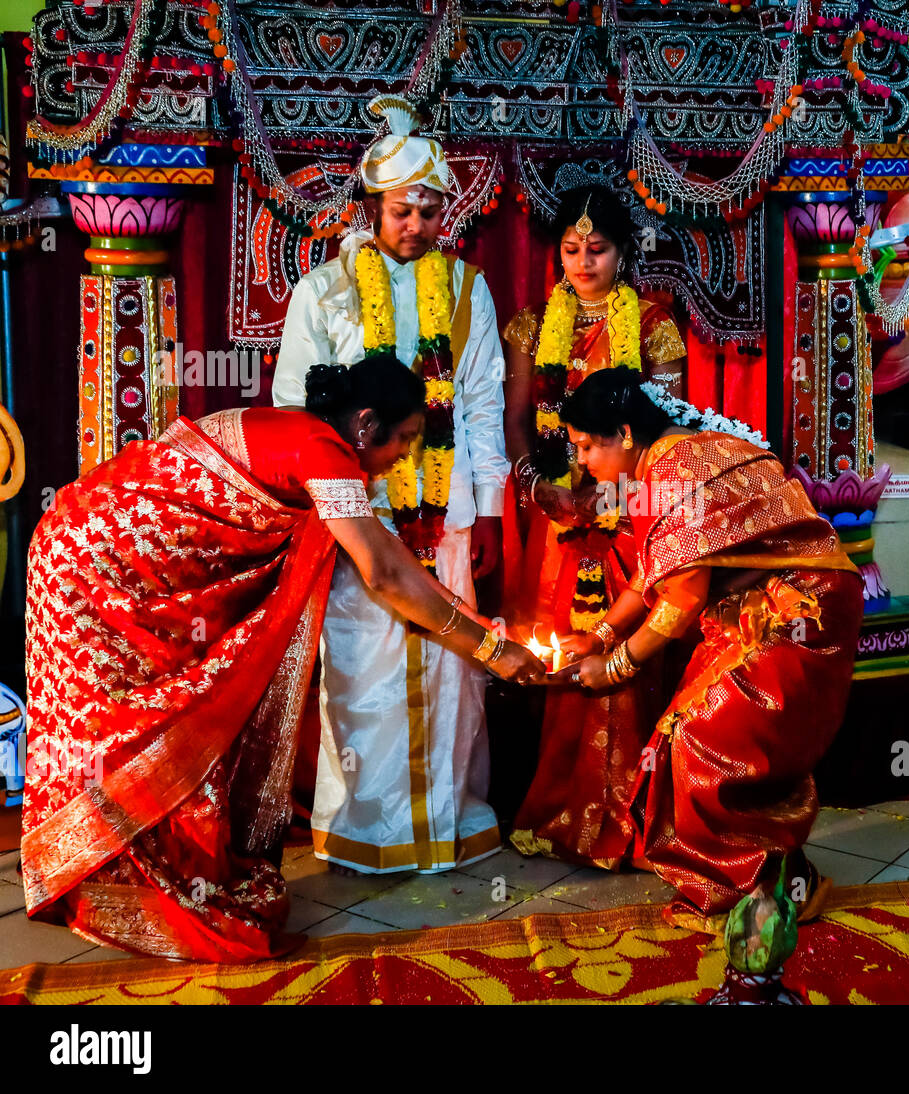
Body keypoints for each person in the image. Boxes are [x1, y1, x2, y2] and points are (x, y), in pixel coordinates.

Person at [20, 358, 545, 961]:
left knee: (127, 720)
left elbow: (390, 562)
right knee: (132, 722)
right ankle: (113, 881)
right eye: (403, 439)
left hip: (82, 544)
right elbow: (386, 574)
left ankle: (101, 874)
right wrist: (489, 649)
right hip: (98, 568)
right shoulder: (324, 451)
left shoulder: (302, 434)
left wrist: (481, 631)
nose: (403, 456)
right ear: (366, 423)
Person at [274, 94, 512, 875]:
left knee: (452, 668)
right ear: (372, 206)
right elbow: (292, 410)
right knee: (361, 667)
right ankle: (367, 830)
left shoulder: (470, 290)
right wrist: (338, 503)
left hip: (443, 514)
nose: (416, 224)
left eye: (430, 210)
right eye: (401, 209)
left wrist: (479, 518)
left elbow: (478, 407)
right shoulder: (325, 291)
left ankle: (448, 821)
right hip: (356, 516)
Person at [555, 369, 862, 919]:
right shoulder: (662, 464)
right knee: (682, 732)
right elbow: (654, 577)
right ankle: (761, 879)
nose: (582, 464)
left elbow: (682, 598)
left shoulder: (671, 471)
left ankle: (760, 886)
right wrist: (599, 634)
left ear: (625, 433)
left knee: (706, 740)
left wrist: (616, 665)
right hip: (758, 607)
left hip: (802, 609)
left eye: (584, 446)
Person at [501, 185, 687, 867]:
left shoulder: (655, 322)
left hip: (631, 509)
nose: (583, 262)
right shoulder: (529, 324)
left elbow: (667, 427)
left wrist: (619, 492)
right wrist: (541, 486)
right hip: (556, 516)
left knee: (634, 641)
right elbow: (517, 422)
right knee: (561, 643)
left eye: (598, 249)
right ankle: (560, 804)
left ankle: (635, 815)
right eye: (572, 249)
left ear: (624, 252)